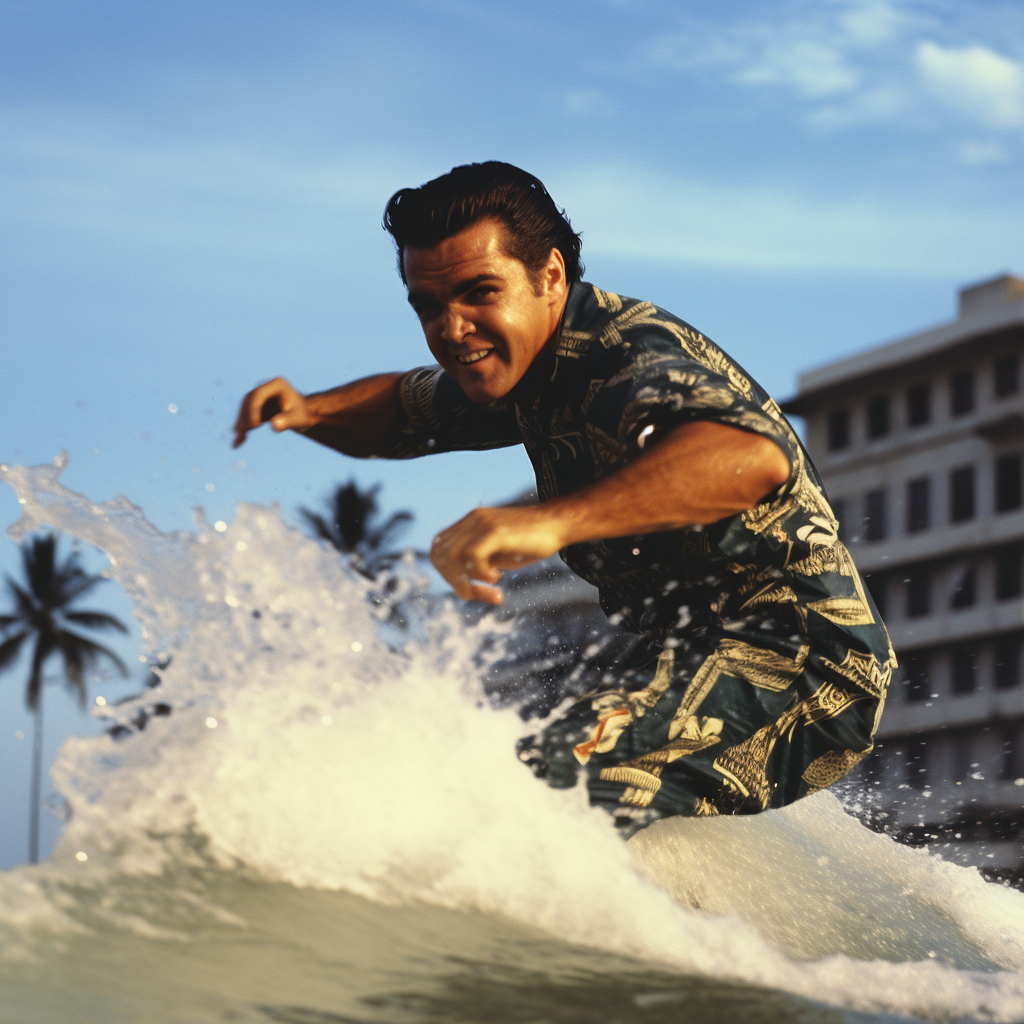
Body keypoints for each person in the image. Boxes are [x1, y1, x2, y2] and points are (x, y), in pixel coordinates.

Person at [234, 162, 895, 836]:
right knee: (489, 777)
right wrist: (309, 410)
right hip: (682, 658)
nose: (453, 329)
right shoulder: (522, 366)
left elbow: (748, 457)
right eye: (428, 306)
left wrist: (552, 521)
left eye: (478, 293)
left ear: (550, 276)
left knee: (537, 794)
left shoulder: (624, 356)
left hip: (801, 663)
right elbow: (406, 410)